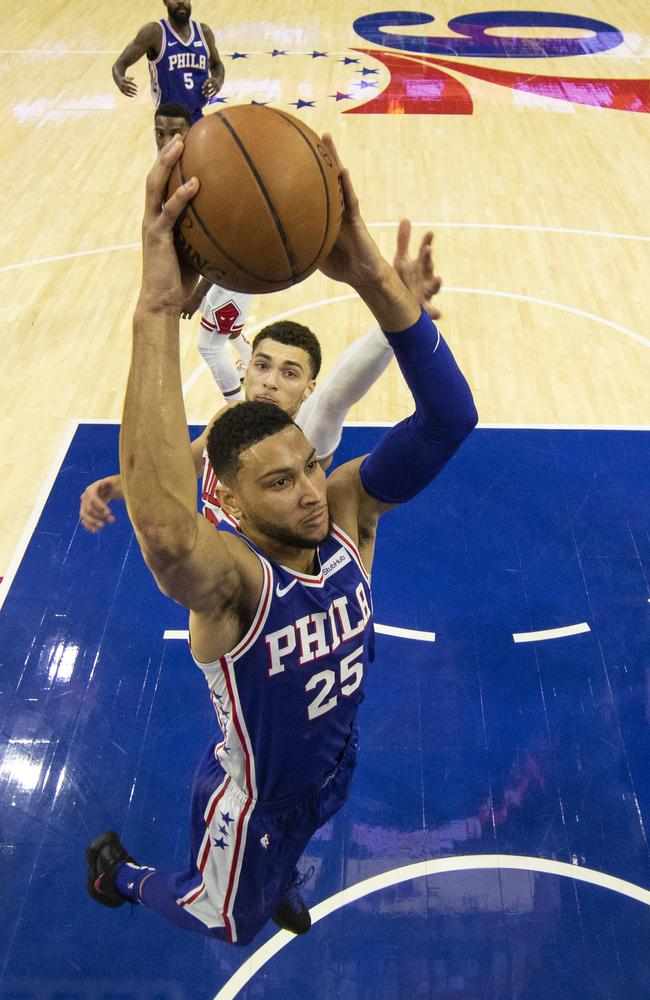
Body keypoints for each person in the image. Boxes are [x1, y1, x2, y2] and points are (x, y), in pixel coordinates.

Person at [85, 135, 477, 944]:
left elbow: (449, 423)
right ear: (225, 500)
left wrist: (371, 275)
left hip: (328, 770)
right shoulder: (231, 582)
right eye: (279, 483)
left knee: (288, 840)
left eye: (306, 468)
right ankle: (120, 874)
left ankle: (281, 871)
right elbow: (164, 531)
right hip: (255, 796)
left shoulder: (343, 514)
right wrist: (157, 308)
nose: (308, 493)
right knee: (226, 921)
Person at [79, 220, 442, 531]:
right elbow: (181, 468)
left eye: (290, 373)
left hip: (271, 595)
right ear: (247, 368)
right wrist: (114, 486)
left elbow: (336, 396)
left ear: (307, 389)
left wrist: (395, 318)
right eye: (262, 366)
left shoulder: (305, 438)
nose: (270, 381)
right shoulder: (228, 420)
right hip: (220, 576)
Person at [112, 0, 224, 124]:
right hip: (168, 120)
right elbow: (119, 64)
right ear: (165, 1)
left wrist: (218, 80)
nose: (181, 1)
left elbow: (216, 64)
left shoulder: (203, 32)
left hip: (197, 116)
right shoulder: (154, 32)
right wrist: (120, 79)